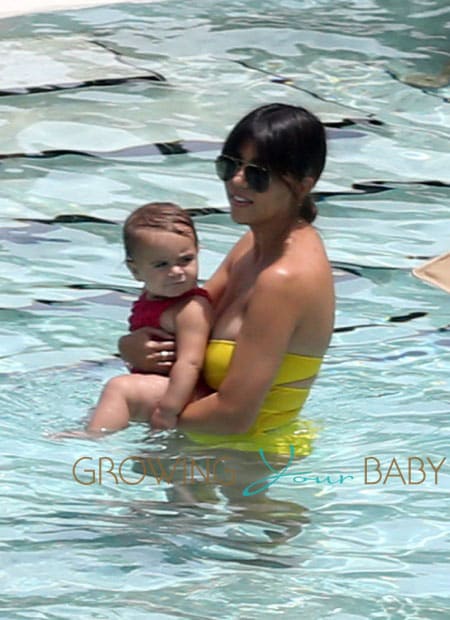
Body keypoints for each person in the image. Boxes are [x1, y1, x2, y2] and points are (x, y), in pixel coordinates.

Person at [120, 103, 335, 457]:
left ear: (302, 185)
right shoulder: (253, 244)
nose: (236, 181)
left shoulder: (284, 278)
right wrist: (132, 346)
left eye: (258, 174)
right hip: (210, 451)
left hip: (248, 461)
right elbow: (183, 313)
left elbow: (234, 417)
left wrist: (141, 404)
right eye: (230, 165)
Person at [84, 202, 212, 433]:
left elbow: (190, 363)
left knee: (119, 388)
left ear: (198, 252)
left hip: (185, 392)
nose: (176, 271)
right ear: (135, 271)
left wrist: (168, 409)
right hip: (163, 386)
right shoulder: (153, 298)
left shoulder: (190, 308)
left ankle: (91, 440)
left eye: (186, 260)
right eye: (161, 265)